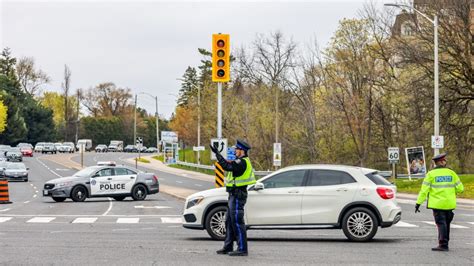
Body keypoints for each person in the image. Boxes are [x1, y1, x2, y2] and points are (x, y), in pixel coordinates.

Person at [210, 139, 256, 257]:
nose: (235, 150)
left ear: (242, 151)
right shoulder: (239, 161)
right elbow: (229, 164)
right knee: (229, 222)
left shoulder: (242, 162)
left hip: (238, 195)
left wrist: (218, 155)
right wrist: (220, 156)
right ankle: (228, 246)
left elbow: (227, 166)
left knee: (237, 222)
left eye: (237, 149)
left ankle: (242, 249)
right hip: (233, 195)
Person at [415, 153, 464, 251]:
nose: (445, 161)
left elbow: (424, 191)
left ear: (436, 163)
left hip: (437, 204)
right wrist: (451, 193)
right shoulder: (452, 173)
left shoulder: (431, 174)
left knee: (441, 224)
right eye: (444, 160)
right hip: (449, 204)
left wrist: (418, 203)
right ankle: (445, 242)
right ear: (442, 162)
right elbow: (460, 188)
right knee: (446, 223)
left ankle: (443, 244)